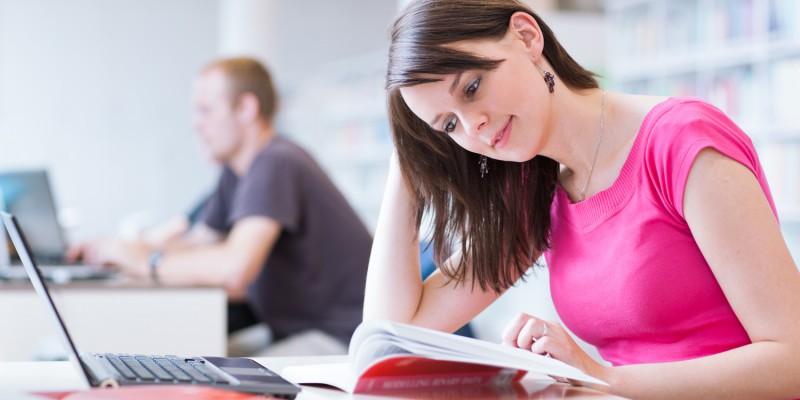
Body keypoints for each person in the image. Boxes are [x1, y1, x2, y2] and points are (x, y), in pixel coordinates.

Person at [364, 0, 800, 398]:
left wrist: (600, 376)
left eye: (473, 88)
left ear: (527, 37)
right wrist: (407, 163)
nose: (473, 127)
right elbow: (391, 335)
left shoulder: (680, 142)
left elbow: (792, 360)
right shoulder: (537, 187)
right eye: (448, 126)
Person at [69, 57, 373, 356]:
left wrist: (143, 262)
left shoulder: (276, 162)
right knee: (183, 364)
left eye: (206, 111)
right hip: (298, 330)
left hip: (341, 337)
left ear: (246, 108)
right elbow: (197, 243)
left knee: (203, 377)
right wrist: (121, 252)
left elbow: (234, 269)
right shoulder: (237, 173)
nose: (196, 125)